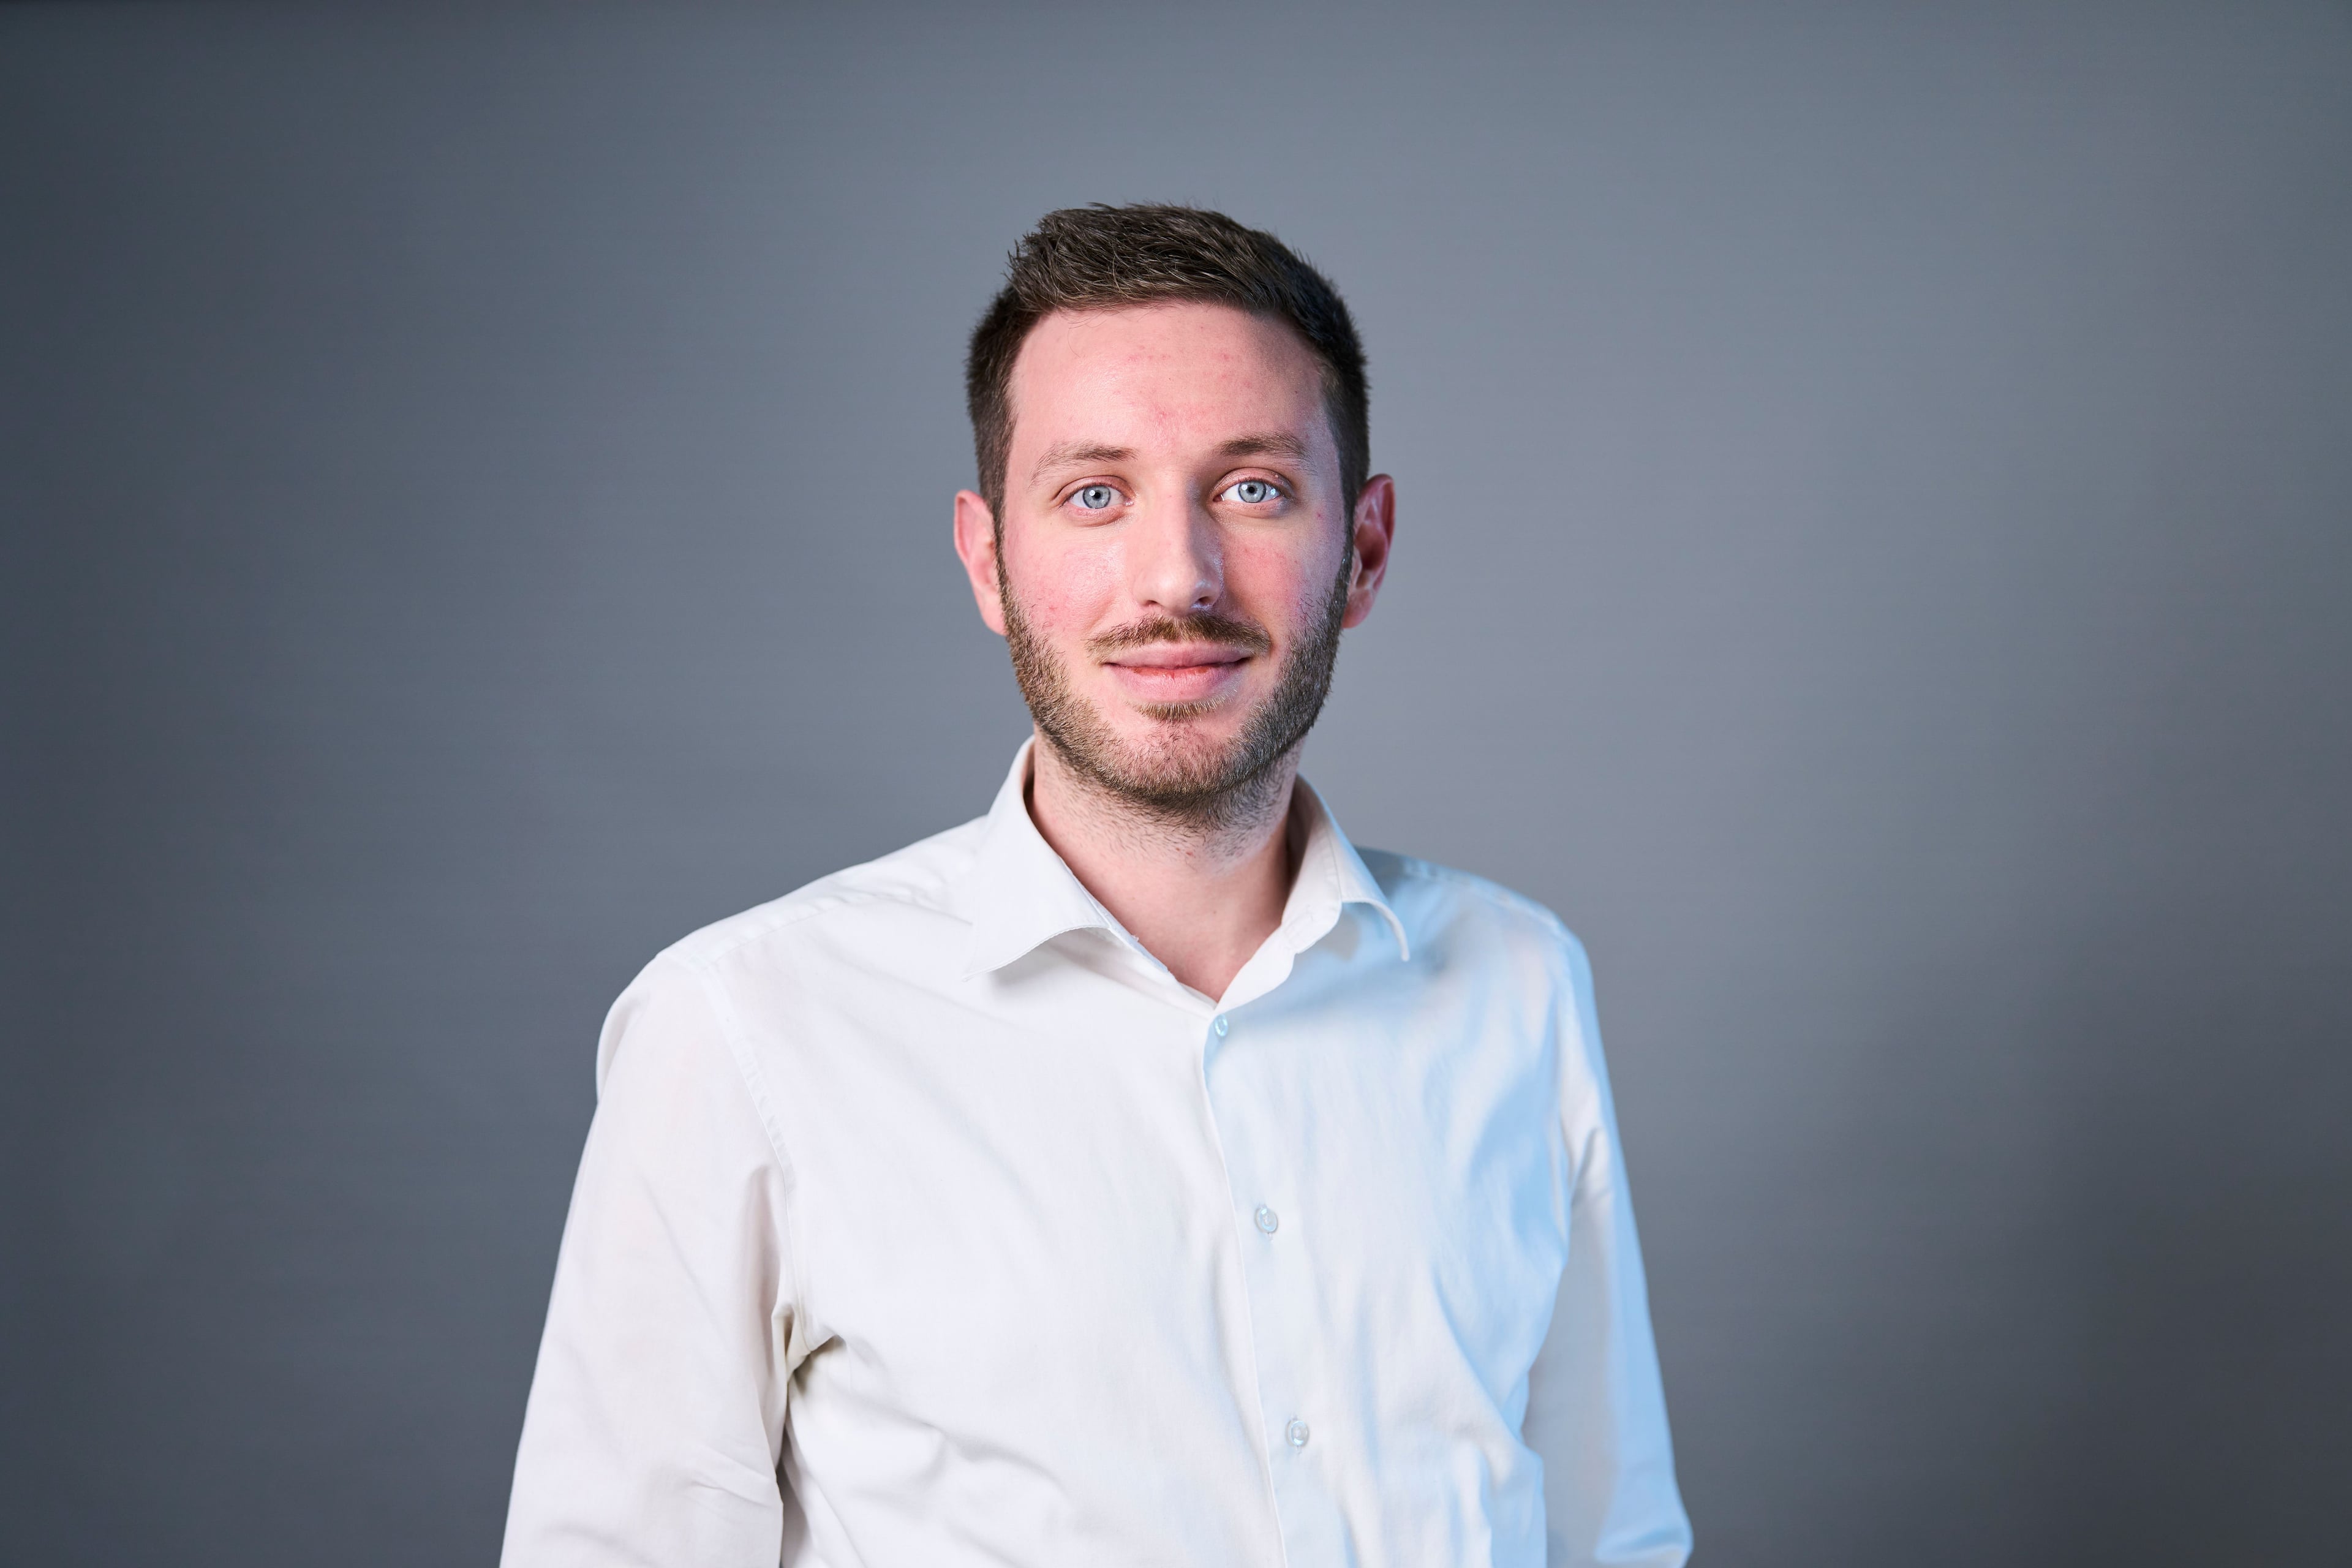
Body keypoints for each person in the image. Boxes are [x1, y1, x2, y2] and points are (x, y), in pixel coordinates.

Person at [502, 204, 1692, 1567]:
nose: (1177, 576)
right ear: (988, 561)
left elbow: (1612, 1539)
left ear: (1363, 550)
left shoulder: (1519, 983)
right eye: (1093, 494)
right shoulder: (742, 1029)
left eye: (1253, 488)